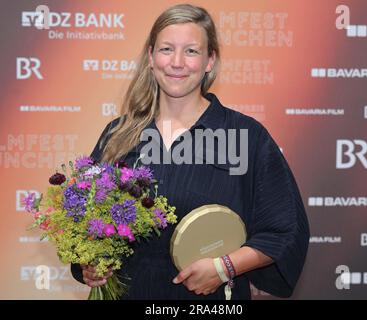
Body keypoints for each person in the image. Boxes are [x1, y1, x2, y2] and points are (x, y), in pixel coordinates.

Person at [71, 4, 310, 300]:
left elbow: (285, 230)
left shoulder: (246, 136)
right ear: (150, 56)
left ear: (210, 61)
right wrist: (88, 265)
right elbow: (84, 223)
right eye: (167, 49)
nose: (177, 62)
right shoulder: (118, 134)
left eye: (192, 51)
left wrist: (225, 268)